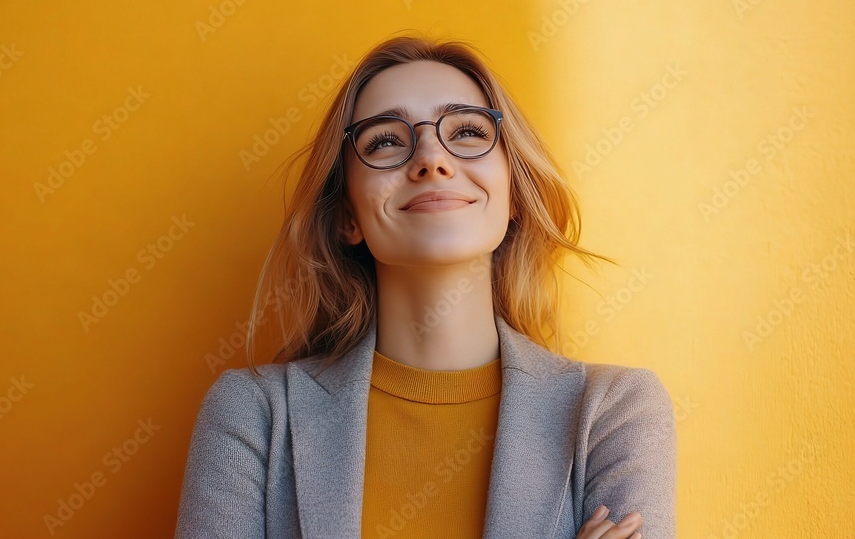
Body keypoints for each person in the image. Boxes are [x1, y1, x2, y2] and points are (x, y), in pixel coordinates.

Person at [175, 32, 676, 539]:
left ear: (514, 195)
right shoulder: (254, 415)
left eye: (467, 133)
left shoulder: (614, 411)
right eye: (386, 140)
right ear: (348, 214)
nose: (432, 160)